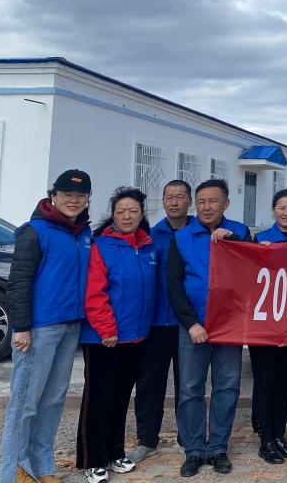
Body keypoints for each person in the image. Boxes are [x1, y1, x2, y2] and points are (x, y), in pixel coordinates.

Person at [0, 169, 94, 483]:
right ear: (53, 196)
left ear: (87, 199)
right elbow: (18, 282)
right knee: (25, 403)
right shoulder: (35, 231)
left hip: (70, 328)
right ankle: (14, 473)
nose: (73, 200)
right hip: (39, 330)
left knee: (53, 401)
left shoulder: (83, 233)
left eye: (80, 195)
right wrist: (21, 328)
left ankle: (42, 468)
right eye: (67, 194)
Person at [167, 179, 252, 478]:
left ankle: (218, 448)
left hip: (229, 326)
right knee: (190, 388)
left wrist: (235, 242)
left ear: (226, 204)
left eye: (213, 201)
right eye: (201, 201)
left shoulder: (239, 231)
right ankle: (193, 450)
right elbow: (174, 284)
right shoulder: (182, 236)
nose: (206, 207)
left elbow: (256, 269)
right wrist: (191, 323)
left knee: (227, 387)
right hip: (194, 327)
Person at [76, 187, 157, 483]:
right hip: (104, 338)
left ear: (141, 214)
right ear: (112, 214)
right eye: (121, 211)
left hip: (135, 337)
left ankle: (114, 452)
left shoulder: (147, 247)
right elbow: (94, 292)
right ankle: (93, 459)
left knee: (121, 398)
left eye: (133, 211)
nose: (126, 216)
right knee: (98, 398)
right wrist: (106, 329)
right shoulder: (101, 246)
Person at [129, 180, 193, 464]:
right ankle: (147, 440)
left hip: (188, 323)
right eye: (169, 197)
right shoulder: (150, 237)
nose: (174, 202)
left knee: (187, 385)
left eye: (180, 197)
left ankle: (187, 439)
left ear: (189, 201)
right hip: (154, 323)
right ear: (163, 201)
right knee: (149, 383)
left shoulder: (198, 234)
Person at [248, 190, 287, 464]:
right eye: (281, 207)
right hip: (264, 327)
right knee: (265, 382)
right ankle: (265, 439)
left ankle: (279, 435)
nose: (286, 212)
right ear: (273, 210)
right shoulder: (260, 240)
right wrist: (258, 253)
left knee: (284, 383)